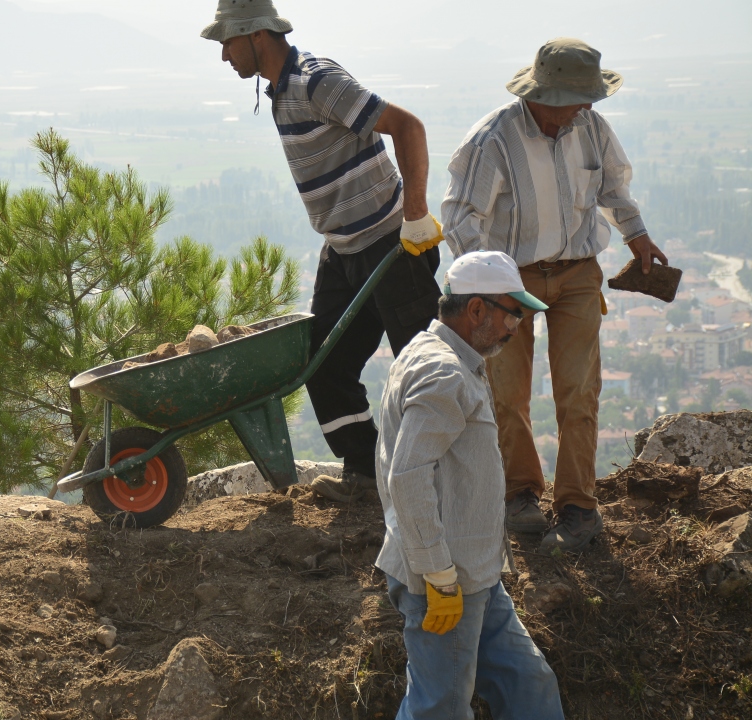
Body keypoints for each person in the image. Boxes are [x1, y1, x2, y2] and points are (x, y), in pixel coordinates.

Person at [200, 0, 444, 502]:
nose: (224, 54)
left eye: (227, 40)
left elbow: (408, 127)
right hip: (342, 249)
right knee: (322, 365)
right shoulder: (279, 90)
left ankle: (445, 485)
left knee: (424, 367)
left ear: (257, 35)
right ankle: (367, 471)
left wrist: (415, 214)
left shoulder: (315, 80)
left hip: (391, 244)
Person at [441, 39, 666, 552]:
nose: (587, 107)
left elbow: (613, 188)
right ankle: (520, 496)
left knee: (579, 390)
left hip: (577, 273)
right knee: (508, 391)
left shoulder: (589, 127)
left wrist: (637, 235)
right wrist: (490, 284)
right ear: (544, 93)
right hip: (510, 282)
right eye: (578, 98)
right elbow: (459, 219)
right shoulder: (491, 141)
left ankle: (577, 505)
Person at [376, 251, 563, 719]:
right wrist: (438, 574)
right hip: (445, 579)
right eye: (512, 313)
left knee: (529, 685)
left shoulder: (439, 354)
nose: (516, 325)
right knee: (438, 708)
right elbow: (408, 477)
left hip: (475, 573)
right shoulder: (444, 373)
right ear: (476, 309)